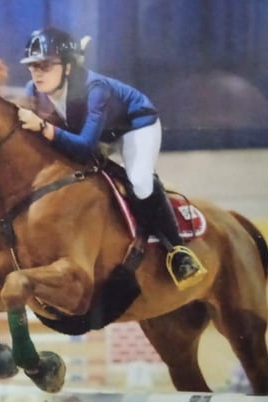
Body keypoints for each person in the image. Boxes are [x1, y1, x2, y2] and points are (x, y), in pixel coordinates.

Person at [16, 26, 207, 288]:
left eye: (45, 65)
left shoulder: (96, 89)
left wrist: (42, 127)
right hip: (97, 131)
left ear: (68, 67)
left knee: (139, 181)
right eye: (33, 66)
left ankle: (178, 253)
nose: (37, 73)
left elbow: (84, 146)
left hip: (135, 126)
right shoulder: (33, 90)